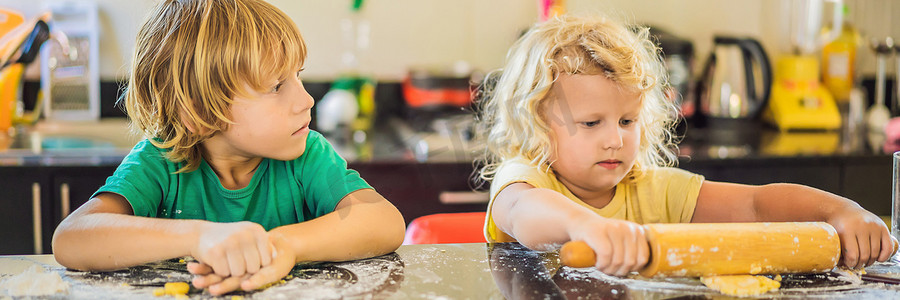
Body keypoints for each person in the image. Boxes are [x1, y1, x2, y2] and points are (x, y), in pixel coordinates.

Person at [475, 14, 895, 277]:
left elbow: (757, 206)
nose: (616, 139)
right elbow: (525, 215)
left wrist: (840, 211)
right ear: (537, 127)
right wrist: (589, 227)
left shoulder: (650, 188)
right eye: (590, 123)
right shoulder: (527, 181)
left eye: (627, 120)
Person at [51, 0, 405, 295]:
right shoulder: (161, 160)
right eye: (277, 86)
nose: (307, 99)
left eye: (299, 75)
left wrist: (283, 245)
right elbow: (71, 239)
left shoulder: (307, 154)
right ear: (200, 113)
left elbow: (385, 222)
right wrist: (198, 236)